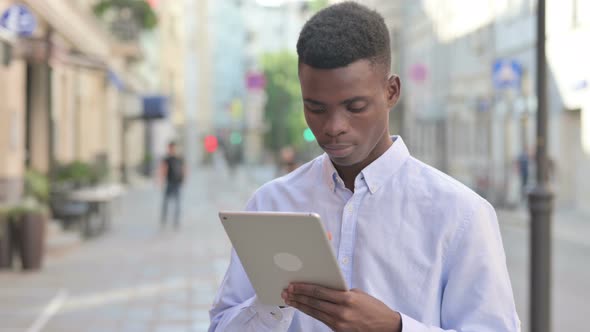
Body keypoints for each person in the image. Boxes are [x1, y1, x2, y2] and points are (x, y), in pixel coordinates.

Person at [209, 2, 520, 331]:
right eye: (315, 108)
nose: (333, 126)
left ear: (391, 91)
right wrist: (273, 303)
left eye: (354, 106)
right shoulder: (270, 205)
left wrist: (395, 327)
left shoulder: (461, 215)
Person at [159, 141, 185, 229]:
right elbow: (164, 169)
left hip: (177, 183)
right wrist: (162, 181)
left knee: (177, 203)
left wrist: (183, 179)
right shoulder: (167, 158)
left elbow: (183, 168)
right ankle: (164, 219)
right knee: (166, 202)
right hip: (169, 182)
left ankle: (176, 221)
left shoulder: (179, 158)